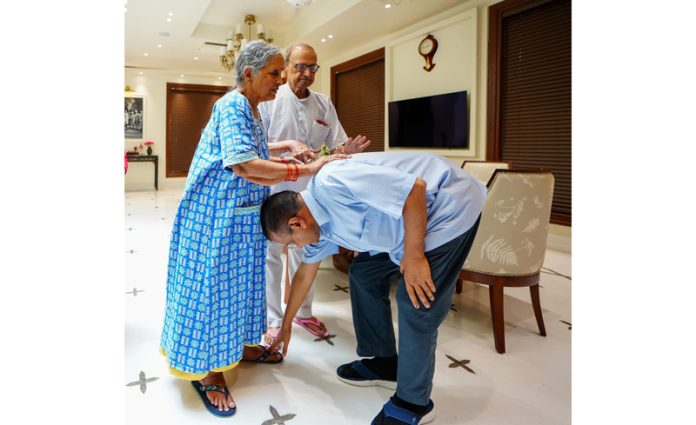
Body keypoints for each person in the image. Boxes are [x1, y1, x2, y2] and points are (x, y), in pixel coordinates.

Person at [159, 40, 347, 418]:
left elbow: (253, 148)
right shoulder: (231, 105)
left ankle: (238, 348)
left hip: (239, 216)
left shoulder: (253, 109)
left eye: (281, 72)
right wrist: (305, 169)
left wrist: (286, 147)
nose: (280, 80)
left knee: (241, 287)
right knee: (215, 291)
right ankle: (209, 371)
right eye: (274, 73)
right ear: (248, 74)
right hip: (213, 219)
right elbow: (244, 163)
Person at [261, 152, 486, 425]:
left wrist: (414, 257)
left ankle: (413, 402)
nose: (292, 248)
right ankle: (385, 362)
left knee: (413, 300)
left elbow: (415, 190)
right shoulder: (319, 231)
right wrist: (285, 325)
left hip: (449, 206)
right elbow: (303, 275)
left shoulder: (332, 182)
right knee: (364, 272)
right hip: (405, 226)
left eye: (290, 242)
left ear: (297, 223)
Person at [258, 42, 371, 343]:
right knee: (270, 255)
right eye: (300, 66)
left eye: (312, 67)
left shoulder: (323, 104)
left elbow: (333, 145)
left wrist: (345, 150)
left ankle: (303, 313)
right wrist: (286, 149)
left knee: (306, 253)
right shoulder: (270, 100)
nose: (306, 73)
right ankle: (272, 319)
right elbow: (254, 147)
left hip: (310, 193)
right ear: (285, 68)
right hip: (273, 188)